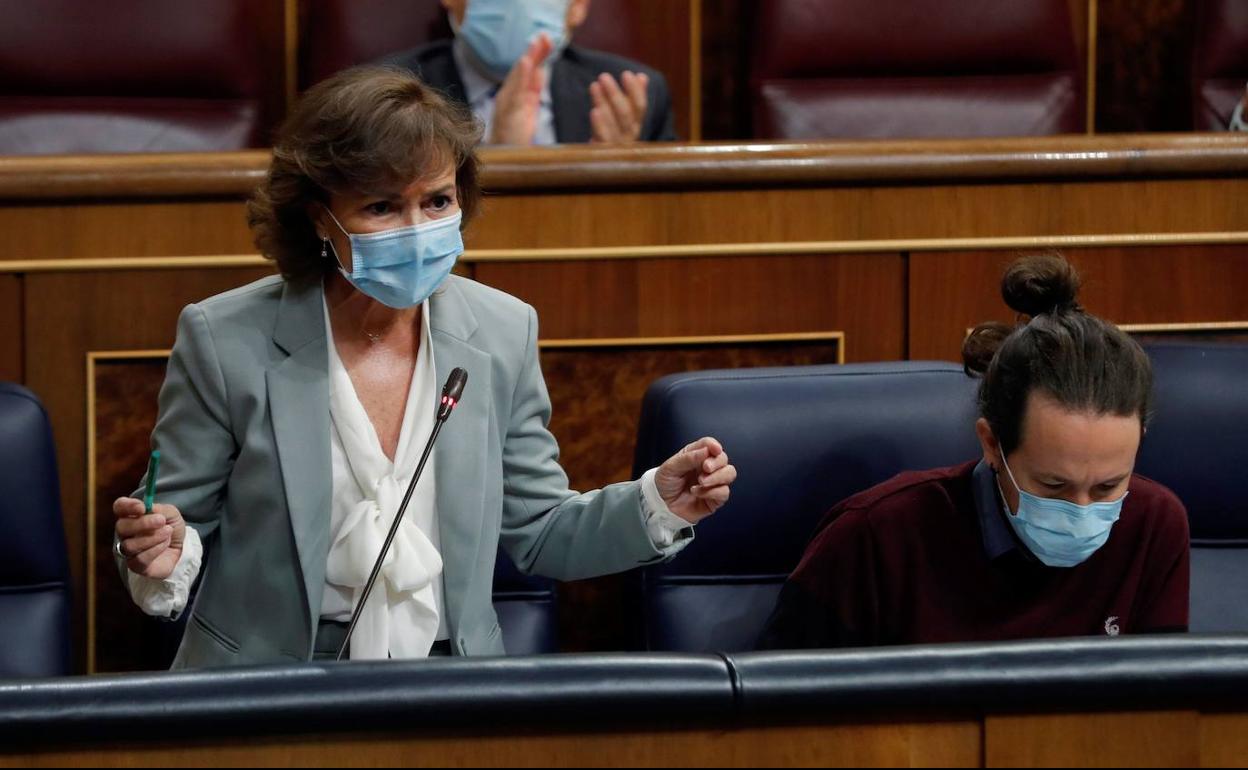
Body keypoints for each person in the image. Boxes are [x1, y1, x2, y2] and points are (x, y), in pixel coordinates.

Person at [112, 66, 733, 667]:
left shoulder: (501, 330)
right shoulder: (225, 339)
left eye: (437, 201)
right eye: (382, 207)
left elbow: (541, 530)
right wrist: (159, 552)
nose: (417, 229)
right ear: (317, 217)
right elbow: (170, 524)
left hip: (449, 684)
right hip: (267, 685)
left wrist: (658, 503)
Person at [759, 253, 1189, 649]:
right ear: (991, 444)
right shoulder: (876, 535)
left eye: (1108, 486)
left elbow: (1160, 709)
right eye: (1053, 485)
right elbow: (778, 712)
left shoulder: (1154, 523)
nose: (1081, 512)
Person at [383, 0, 675, 145]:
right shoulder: (383, 95)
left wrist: (615, 171)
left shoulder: (635, 98)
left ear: (578, 6)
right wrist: (498, 164)